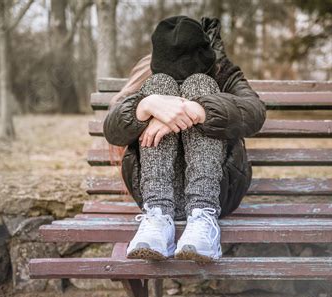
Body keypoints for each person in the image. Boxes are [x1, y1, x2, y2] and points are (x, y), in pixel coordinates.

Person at [103, 15, 266, 263]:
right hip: (155, 195)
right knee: (159, 86)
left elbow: (255, 112)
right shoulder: (154, 76)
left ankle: (203, 217)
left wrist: (202, 110)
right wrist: (146, 106)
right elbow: (112, 129)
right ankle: (157, 216)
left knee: (200, 86)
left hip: (218, 193)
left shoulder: (226, 75)